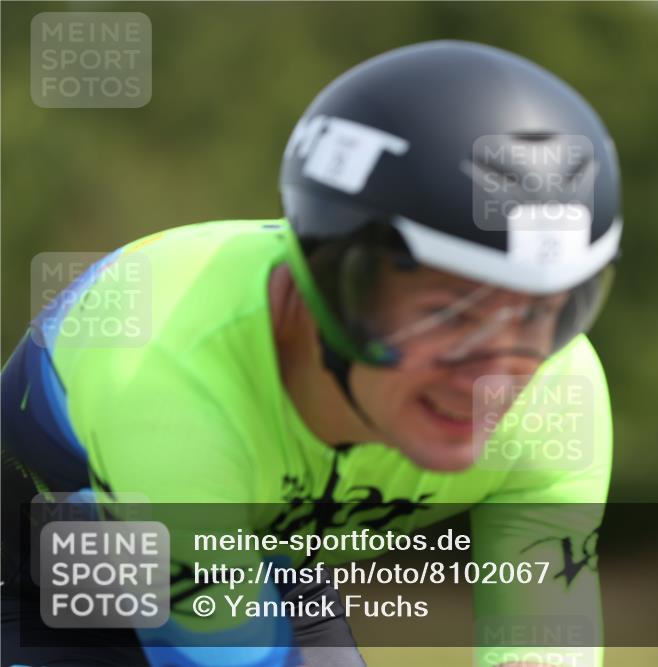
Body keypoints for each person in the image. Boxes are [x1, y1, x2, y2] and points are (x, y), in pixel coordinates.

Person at [1, 40, 622, 667]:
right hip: (41, 557)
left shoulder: (558, 392)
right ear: (333, 284)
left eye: (545, 311)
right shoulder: (175, 388)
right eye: (446, 313)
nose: (491, 374)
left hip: (264, 550)